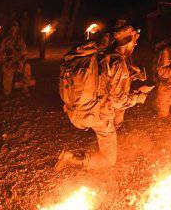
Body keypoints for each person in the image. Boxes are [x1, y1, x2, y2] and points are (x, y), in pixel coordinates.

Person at [55, 25, 149, 171]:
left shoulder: (101, 56)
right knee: (108, 159)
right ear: (128, 42)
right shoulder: (117, 62)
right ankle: (71, 158)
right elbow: (118, 101)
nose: (135, 44)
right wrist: (138, 98)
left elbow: (103, 82)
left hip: (77, 111)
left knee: (109, 127)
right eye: (134, 40)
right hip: (97, 115)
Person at [0, 21, 35, 95]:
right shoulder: (5, 40)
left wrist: (21, 62)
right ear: (10, 30)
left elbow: (25, 53)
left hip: (19, 62)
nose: (14, 31)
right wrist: (6, 61)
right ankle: (7, 88)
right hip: (9, 63)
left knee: (27, 67)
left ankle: (25, 86)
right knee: (7, 92)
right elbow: (0, 54)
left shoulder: (20, 40)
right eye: (12, 29)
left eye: (15, 29)